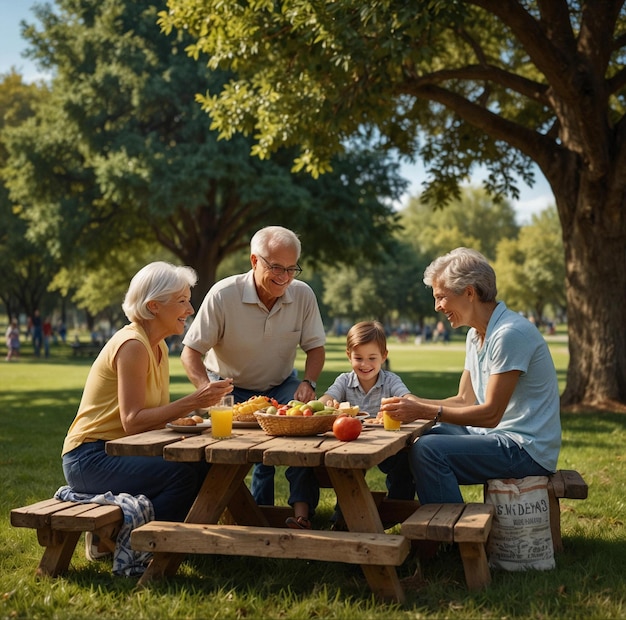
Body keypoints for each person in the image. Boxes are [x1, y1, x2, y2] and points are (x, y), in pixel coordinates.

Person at [61, 262, 234, 559]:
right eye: (181, 301)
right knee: (179, 476)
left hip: (121, 451)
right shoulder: (133, 345)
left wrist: (186, 420)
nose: (190, 309)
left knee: (205, 465)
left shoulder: (159, 346)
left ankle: (177, 541)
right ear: (154, 306)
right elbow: (132, 422)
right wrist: (194, 401)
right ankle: (145, 550)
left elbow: (151, 417)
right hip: (89, 458)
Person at [381, 247, 561, 506]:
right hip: (495, 437)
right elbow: (465, 400)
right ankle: (397, 514)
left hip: (525, 449)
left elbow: (490, 414)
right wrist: (407, 407)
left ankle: (450, 536)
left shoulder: (509, 334)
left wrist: (420, 410)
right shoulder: (475, 335)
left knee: (429, 451)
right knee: (413, 440)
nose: (437, 307)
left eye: (441, 297)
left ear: (469, 292)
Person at [181, 226, 325, 530]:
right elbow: (191, 352)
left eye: (291, 269)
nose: (284, 277)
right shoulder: (223, 294)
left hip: (281, 385)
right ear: (254, 261)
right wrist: (208, 392)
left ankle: (302, 516)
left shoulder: (303, 294)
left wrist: (308, 382)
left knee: (303, 441)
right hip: (229, 386)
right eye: (275, 267)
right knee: (223, 455)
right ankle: (241, 516)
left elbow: (315, 349)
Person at [320, 321, 417, 502]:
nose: (365, 364)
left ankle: (396, 507)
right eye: (358, 358)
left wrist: (409, 405)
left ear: (384, 356)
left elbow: (408, 398)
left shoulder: (390, 381)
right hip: (349, 445)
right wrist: (326, 404)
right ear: (349, 356)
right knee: (345, 472)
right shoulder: (344, 381)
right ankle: (344, 513)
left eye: (372, 358)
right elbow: (326, 398)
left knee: (405, 464)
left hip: (388, 444)